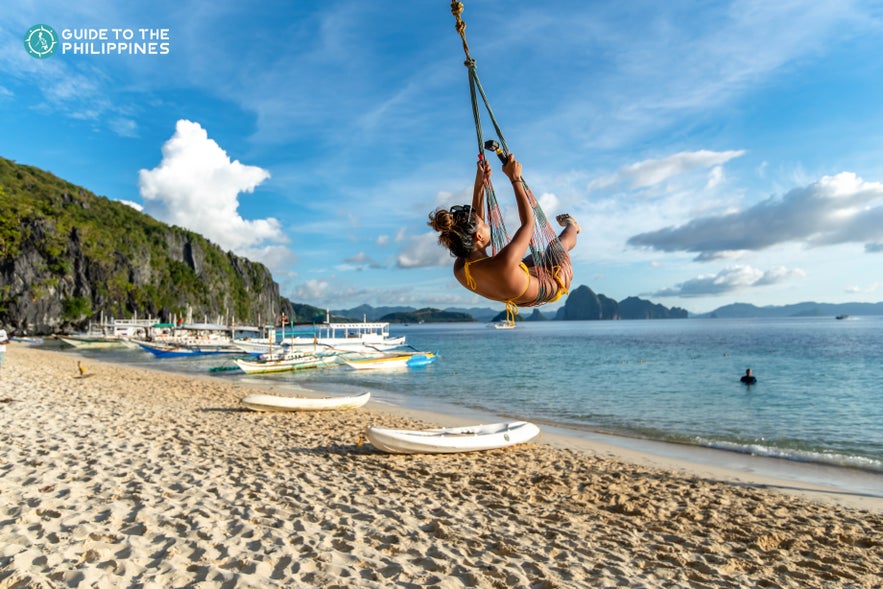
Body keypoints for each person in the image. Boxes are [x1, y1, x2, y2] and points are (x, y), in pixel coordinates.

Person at [428, 154, 580, 309]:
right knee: (555, 246)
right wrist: (515, 178)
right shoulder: (503, 263)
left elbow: (475, 223)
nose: (487, 223)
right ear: (478, 236)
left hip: (520, 292)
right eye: (484, 223)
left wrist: (480, 184)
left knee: (539, 256)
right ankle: (572, 225)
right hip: (550, 286)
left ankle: (541, 259)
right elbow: (528, 224)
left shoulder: (461, 269)